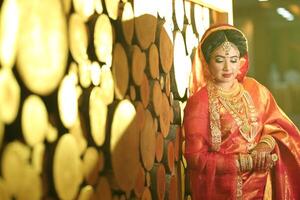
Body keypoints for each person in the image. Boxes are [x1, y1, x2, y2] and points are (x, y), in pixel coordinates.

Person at [183, 24, 300, 200]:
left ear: (241, 61)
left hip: (263, 186)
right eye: (219, 60)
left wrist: (264, 146)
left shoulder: (256, 89)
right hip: (224, 190)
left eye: (233, 59)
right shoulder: (199, 102)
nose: (227, 67)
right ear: (207, 62)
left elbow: (276, 126)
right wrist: (244, 162)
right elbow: (196, 158)